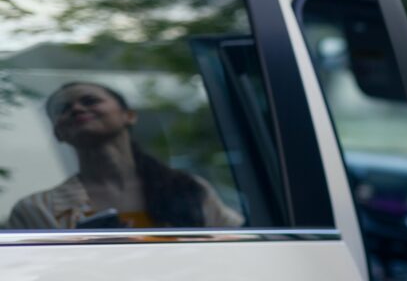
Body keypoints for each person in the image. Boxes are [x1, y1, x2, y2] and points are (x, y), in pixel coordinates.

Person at [7, 81, 243, 230]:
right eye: (63, 109)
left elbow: (237, 250)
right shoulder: (35, 210)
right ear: (58, 133)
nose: (77, 109)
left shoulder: (189, 187)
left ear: (128, 115)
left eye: (90, 101)